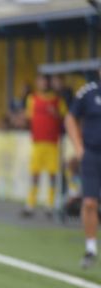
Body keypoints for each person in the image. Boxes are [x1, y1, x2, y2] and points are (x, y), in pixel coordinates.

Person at [65, 69, 101, 269]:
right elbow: (70, 118)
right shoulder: (88, 92)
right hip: (92, 155)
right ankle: (90, 248)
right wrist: (79, 147)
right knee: (89, 203)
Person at [23, 74, 68, 218]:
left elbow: (66, 117)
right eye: (39, 81)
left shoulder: (57, 100)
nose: (42, 84)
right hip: (37, 142)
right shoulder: (32, 99)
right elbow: (28, 118)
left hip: (52, 143)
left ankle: (50, 205)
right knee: (34, 174)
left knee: (52, 175)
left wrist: (56, 115)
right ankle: (30, 204)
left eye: (44, 81)